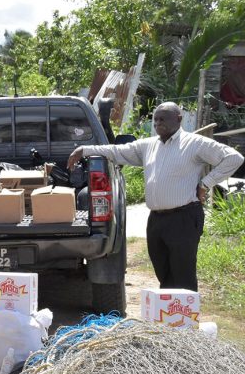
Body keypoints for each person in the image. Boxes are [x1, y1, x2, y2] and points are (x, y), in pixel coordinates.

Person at [67, 101, 244, 292]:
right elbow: (117, 151)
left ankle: (185, 319)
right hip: (156, 220)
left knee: (183, 274)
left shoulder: (195, 143)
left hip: (183, 218)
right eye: (156, 119)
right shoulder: (149, 145)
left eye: (164, 118)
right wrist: (84, 150)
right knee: (163, 272)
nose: (158, 122)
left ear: (178, 119)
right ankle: (169, 316)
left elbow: (234, 158)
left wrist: (206, 183)